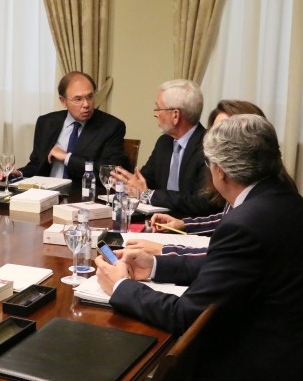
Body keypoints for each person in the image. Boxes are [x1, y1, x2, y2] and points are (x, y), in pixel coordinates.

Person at [95, 114, 303, 379]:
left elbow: (186, 316)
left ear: (220, 171)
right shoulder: (286, 198)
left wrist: (121, 287)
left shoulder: (244, 224)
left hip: (254, 360)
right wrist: (156, 265)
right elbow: (230, 267)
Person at [128, 100, 270, 256]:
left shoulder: (258, 207)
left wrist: (163, 250)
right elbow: (224, 218)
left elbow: (219, 257)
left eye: (225, 133)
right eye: (214, 133)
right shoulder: (252, 188)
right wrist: (184, 224)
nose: (214, 142)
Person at [112, 79, 220, 215]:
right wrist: (130, 182)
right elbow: (146, 180)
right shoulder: (164, 142)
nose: (155, 114)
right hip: (156, 218)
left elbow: (202, 201)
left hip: (188, 223)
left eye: (158, 108)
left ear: (175, 115)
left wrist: (148, 194)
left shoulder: (209, 146)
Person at [6, 71, 127, 184]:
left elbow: (109, 174)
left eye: (90, 97)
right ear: (63, 101)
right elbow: (37, 164)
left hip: (81, 194)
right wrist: (19, 173)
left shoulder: (111, 127)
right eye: (78, 99)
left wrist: (66, 157)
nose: (86, 104)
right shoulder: (46, 123)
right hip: (45, 191)